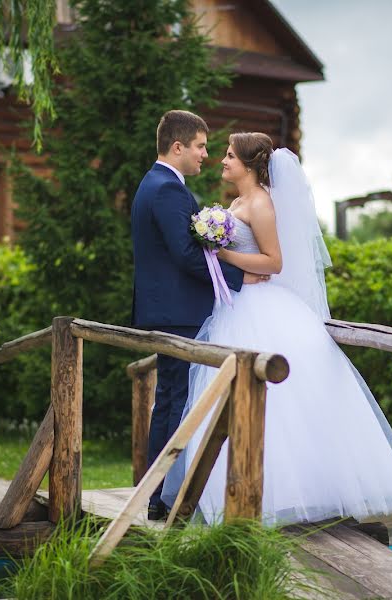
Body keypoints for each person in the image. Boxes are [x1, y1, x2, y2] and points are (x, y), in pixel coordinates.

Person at [161, 132, 392, 525]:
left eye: (230, 156)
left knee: (278, 405)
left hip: (262, 309)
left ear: (249, 165)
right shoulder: (236, 202)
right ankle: (230, 497)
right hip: (235, 307)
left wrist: (219, 252)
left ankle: (282, 497)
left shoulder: (262, 204)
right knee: (226, 400)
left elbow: (274, 261)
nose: (223, 161)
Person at [130, 111, 267, 521]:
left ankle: (158, 496)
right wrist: (240, 275)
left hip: (166, 309)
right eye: (201, 146)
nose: (206, 154)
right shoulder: (168, 190)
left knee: (171, 401)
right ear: (178, 147)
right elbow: (188, 254)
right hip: (178, 312)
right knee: (176, 404)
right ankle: (161, 499)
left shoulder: (153, 184)